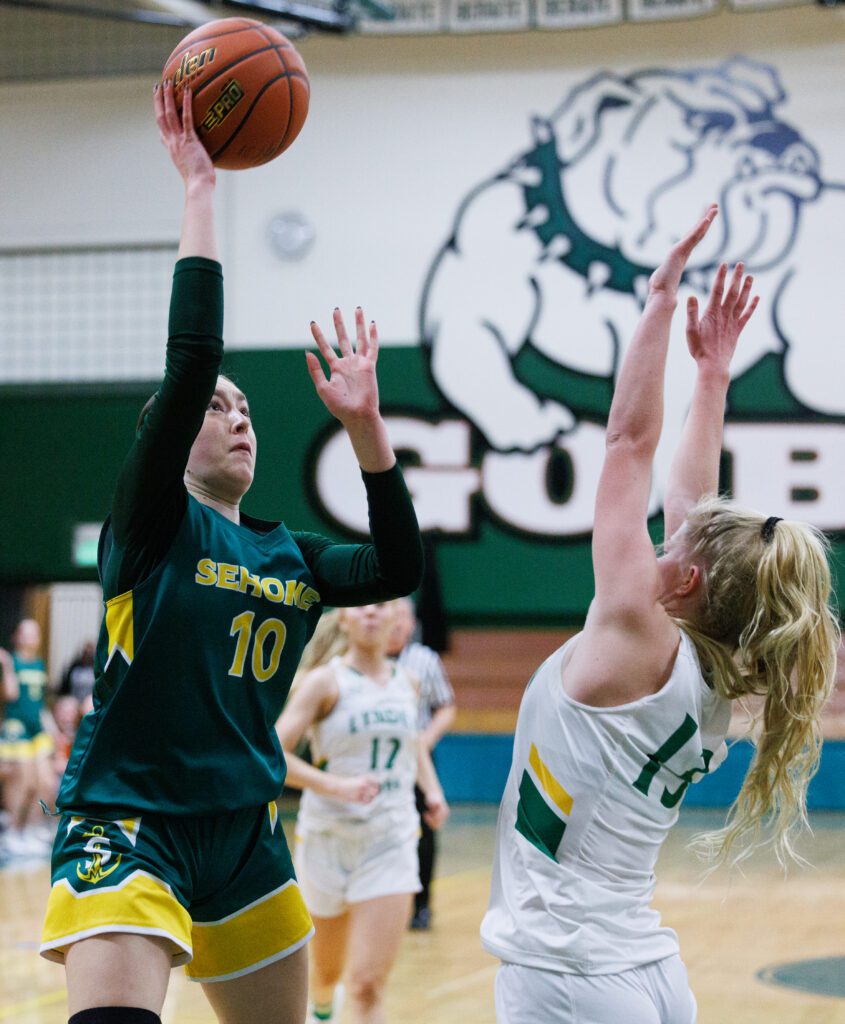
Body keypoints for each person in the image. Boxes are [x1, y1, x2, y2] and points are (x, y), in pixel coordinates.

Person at [38, 79, 423, 1024]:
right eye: (217, 406)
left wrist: (367, 428)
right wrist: (200, 189)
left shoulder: (291, 555)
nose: (236, 415)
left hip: (244, 833)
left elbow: (398, 569)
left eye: (246, 408)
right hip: (128, 825)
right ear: (169, 438)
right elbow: (191, 354)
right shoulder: (152, 524)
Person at [480, 205, 840, 1024]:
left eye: (678, 544)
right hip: (642, 966)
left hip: (568, 973)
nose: (666, 535)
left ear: (681, 583)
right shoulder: (713, 666)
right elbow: (687, 496)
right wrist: (710, 376)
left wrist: (656, 301)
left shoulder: (635, 632)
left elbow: (626, 445)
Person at [276, 601, 449, 1024]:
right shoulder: (324, 682)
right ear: (344, 619)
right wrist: (335, 785)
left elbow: (411, 744)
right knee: (324, 974)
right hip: (328, 837)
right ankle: (320, 1009)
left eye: (383, 606)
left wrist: (432, 790)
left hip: (390, 837)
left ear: (397, 621)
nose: (372, 612)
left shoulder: (408, 682)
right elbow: (274, 754)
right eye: (362, 606)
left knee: (367, 984)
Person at [386, 596, 456, 930]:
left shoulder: (423, 661)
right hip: (377, 761)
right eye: (391, 613)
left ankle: (421, 904)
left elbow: (446, 706)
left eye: (402, 615)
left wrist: (425, 740)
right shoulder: (359, 661)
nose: (396, 621)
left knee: (423, 831)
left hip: (418, 757)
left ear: (411, 623)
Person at [0, 618, 56, 858]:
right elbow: (10, 695)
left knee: (45, 782)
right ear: (17, 636)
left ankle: (31, 830)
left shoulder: (40, 665)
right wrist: (7, 667)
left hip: (37, 729)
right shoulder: (10, 661)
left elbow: (40, 703)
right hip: (16, 728)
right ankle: (12, 831)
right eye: (26, 633)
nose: (31, 637)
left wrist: (52, 729)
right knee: (24, 782)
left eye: (35, 633)